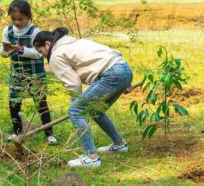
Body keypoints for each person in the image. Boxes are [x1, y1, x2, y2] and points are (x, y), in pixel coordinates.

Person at [33, 28, 132, 168]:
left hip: (111, 74)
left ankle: (91, 157)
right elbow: (109, 53)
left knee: (75, 110)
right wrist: (126, 80)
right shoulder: (75, 42)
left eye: (40, 51)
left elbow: (73, 84)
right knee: (95, 110)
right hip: (124, 68)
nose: (43, 56)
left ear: (47, 44)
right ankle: (119, 144)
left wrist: (76, 105)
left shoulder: (56, 55)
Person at [0, 0, 57, 145]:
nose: (17, 22)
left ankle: (49, 134)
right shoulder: (8, 31)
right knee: (14, 102)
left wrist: (20, 50)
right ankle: (16, 131)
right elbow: (3, 53)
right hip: (17, 72)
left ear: (29, 17)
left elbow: (38, 54)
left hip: (35, 72)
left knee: (40, 102)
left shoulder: (34, 32)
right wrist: (6, 50)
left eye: (21, 19)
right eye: (14, 19)